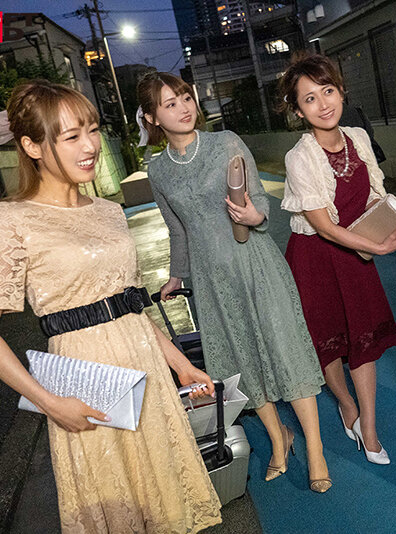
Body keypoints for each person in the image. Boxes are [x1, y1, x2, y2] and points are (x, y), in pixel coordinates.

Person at [0, 80, 222, 533]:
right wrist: (48, 402)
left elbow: (129, 306)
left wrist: (182, 366)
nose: (90, 146)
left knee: (166, 499)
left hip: (147, 371)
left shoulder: (108, 210)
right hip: (83, 385)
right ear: (32, 146)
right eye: (71, 136)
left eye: (92, 130)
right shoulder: (10, 219)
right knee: (117, 503)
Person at [136, 71, 332, 493]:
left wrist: (255, 216)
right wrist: (175, 274)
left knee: (285, 349)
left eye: (186, 97)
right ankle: (279, 439)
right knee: (241, 360)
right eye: (170, 103)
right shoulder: (158, 170)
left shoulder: (225, 142)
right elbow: (177, 229)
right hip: (211, 280)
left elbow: (259, 200)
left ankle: (316, 450)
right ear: (152, 117)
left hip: (255, 262)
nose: (184, 107)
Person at [277, 53, 396, 465]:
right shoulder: (299, 157)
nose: (323, 104)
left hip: (356, 254)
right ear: (298, 111)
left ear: (341, 91)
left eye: (328, 91)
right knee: (329, 344)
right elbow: (324, 226)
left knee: (363, 341)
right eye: (310, 99)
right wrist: (378, 247)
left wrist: (389, 209)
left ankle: (368, 426)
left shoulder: (358, 137)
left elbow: (369, 196)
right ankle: (346, 404)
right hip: (316, 259)